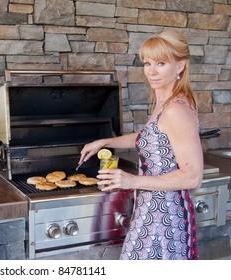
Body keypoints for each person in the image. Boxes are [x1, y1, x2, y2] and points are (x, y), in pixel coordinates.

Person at [79, 29, 203, 260]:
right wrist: (105, 141)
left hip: (166, 216)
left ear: (180, 66)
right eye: (147, 63)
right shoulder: (164, 102)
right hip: (150, 208)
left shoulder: (177, 109)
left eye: (161, 63)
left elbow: (193, 176)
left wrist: (132, 180)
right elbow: (149, 137)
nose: (152, 71)